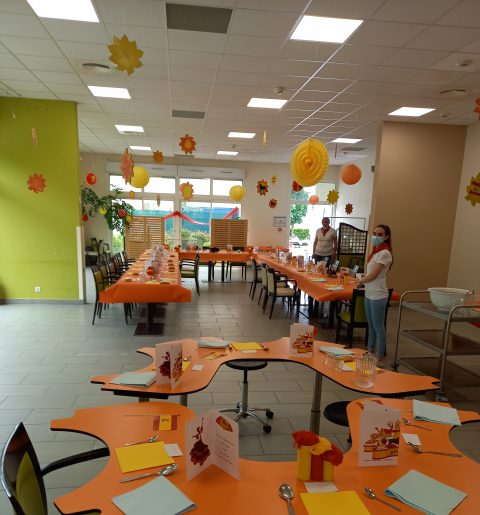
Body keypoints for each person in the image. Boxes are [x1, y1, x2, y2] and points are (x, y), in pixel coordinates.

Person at [356, 224, 393, 365]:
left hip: (378, 295)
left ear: (386, 237)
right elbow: (370, 273)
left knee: (378, 327)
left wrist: (361, 282)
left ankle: (379, 355)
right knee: (370, 325)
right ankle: (370, 350)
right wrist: (363, 279)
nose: (376, 236)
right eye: (375, 233)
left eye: (380, 234)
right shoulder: (375, 251)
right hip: (369, 293)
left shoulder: (385, 253)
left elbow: (374, 274)